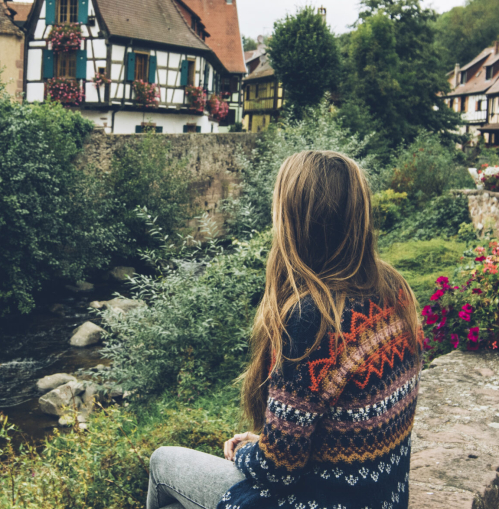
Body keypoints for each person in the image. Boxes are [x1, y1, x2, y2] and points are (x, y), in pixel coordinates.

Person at [146, 150, 423, 509]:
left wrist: (248, 452)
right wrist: (267, 443)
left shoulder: (312, 316)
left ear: (293, 220)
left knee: (162, 464)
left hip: (318, 502)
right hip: (383, 498)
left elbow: (278, 472)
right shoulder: (392, 287)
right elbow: (332, 427)